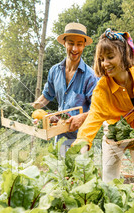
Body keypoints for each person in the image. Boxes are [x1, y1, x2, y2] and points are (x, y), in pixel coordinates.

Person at [75, 28, 134, 199]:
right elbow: (93, 119)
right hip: (115, 129)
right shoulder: (102, 88)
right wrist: (82, 147)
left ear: (123, 54)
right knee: (109, 172)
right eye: (101, 59)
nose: (105, 63)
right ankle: (112, 207)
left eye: (110, 57)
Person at [32, 22, 98, 156]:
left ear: (84, 45)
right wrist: (31, 109)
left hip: (81, 138)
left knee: (79, 174)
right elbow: (46, 96)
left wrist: (82, 117)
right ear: (64, 43)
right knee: (59, 173)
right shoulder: (54, 71)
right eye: (71, 43)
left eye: (79, 44)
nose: (75, 48)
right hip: (60, 134)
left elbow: (97, 109)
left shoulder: (90, 76)